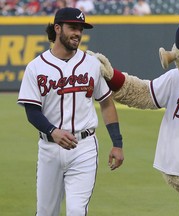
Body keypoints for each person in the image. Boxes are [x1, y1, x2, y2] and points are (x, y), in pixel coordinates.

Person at [17, 7, 124, 216]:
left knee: (76, 211)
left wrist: (117, 143)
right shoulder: (36, 67)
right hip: (50, 147)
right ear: (57, 28)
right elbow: (32, 111)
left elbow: (106, 102)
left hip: (83, 147)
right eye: (72, 27)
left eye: (80, 29)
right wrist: (52, 131)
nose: (77, 33)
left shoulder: (91, 64)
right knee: (46, 212)